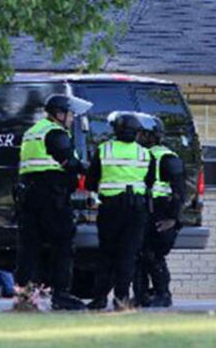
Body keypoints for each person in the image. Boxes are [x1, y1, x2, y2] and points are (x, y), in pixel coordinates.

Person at [15, 93, 92, 311]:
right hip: (52, 197)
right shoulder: (55, 133)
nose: (72, 118)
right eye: (70, 114)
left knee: (29, 247)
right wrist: (89, 167)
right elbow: (70, 162)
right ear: (59, 114)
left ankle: (24, 295)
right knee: (63, 245)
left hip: (29, 196)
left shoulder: (33, 132)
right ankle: (61, 295)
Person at [86, 112, 154, 311]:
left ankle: (99, 298)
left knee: (106, 253)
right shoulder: (144, 153)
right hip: (136, 209)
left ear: (116, 129)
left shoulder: (104, 149)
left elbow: (91, 180)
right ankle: (121, 298)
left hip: (111, 208)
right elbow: (149, 182)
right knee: (128, 254)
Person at [133, 113, 185, 307]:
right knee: (139, 256)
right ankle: (141, 296)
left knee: (153, 255)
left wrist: (173, 218)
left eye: (140, 134)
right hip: (144, 211)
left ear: (150, 135)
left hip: (161, 213)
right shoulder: (140, 155)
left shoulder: (167, 158)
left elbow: (180, 191)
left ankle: (163, 294)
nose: (137, 137)